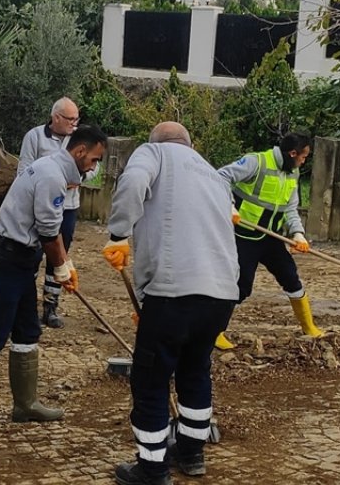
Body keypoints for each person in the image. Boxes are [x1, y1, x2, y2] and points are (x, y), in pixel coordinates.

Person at [0, 125, 108, 440]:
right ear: (81, 151)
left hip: (20, 258)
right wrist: (61, 268)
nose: (94, 166)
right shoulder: (52, 177)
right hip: (7, 257)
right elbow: (48, 230)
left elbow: (49, 229)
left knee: (28, 330)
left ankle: (25, 404)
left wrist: (63, 264)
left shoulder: (51, 168)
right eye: (94, 159)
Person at [103, 122, 239, 485]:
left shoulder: (154, 153)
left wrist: (118, 235)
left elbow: (132, 184)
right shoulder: (212, 173)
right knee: (195, 368)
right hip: (221, 293)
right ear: (189, 143)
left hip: (173, 290)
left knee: (150, 379)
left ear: (157, 141)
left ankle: (152, 469)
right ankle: (191, 453)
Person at [215, 132, 321, 347]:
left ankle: (309, 327)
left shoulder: (293, 173)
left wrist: (297, 233)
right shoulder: (257, 162)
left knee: (291, 278)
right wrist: (228, 206)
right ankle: (214, 331)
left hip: (271, 237)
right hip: (243, 235)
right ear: (292, 153)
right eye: (303, 156)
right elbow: (220, 176)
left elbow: (290, 207)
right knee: (240, 286)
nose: (304, 160)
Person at [17, 97, 83, 329]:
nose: (74, 124)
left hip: (67, 208)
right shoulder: (34, 137)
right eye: (70, 119)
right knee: (33, 255)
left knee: (59, 257)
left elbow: (93, 168)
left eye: (77, 119)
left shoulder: (78, 139)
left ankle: (50, 305)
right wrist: (51, 183)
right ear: (56, 118)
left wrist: (79, 179)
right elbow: (24, 171)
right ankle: (27, 306)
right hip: (40, 208)